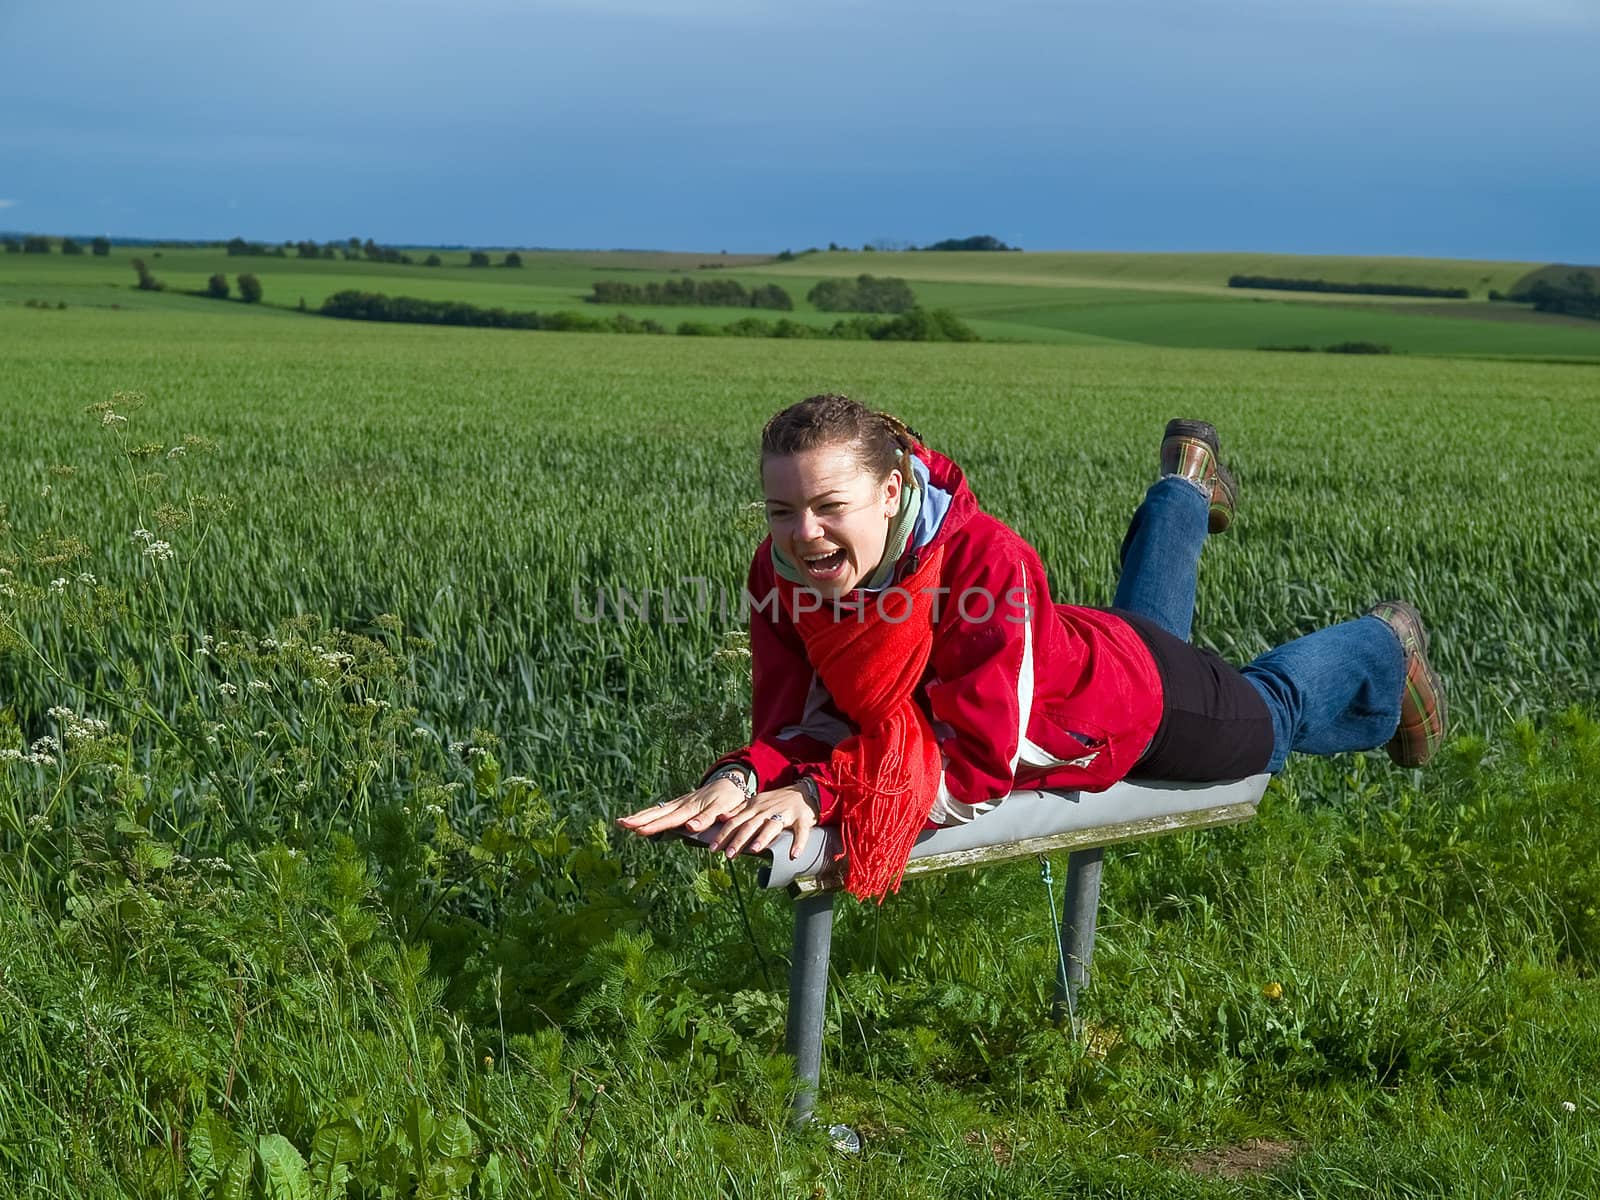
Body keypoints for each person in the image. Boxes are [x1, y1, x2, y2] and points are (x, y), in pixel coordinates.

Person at [617, 395, 1445, 901]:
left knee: (1270, 712)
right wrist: (745, 774)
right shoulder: (783, 572)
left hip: (1122, 706)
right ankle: (1184, 485)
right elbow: (804, 722)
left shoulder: (986, 562)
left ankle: (1384, 646)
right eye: (780, 511)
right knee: (1153, 631)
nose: (803, 534)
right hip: (1071, 657)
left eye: (829, 505)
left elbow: (977, 760)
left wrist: (820, 794)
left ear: (894, 490)